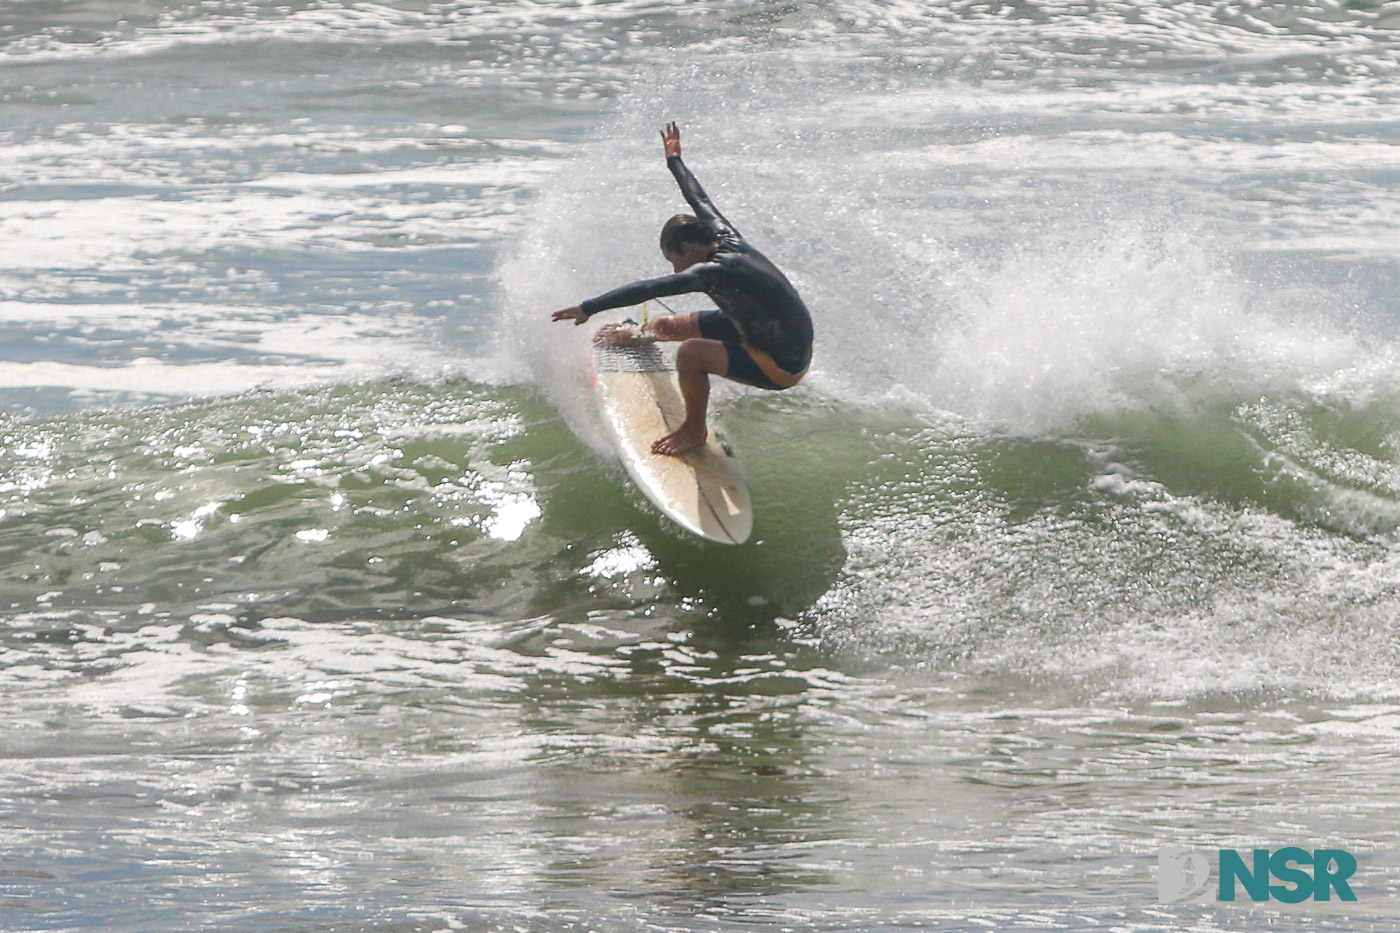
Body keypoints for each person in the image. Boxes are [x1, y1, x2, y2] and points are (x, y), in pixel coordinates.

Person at [551, 121, 814, 456]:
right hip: (758, 328)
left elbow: (648, 287)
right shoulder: (723, 236)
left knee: (690, 352)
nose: (674, 267)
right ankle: (639, 336)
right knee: (665, 326)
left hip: (783, 362)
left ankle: (693, 430)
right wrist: (674, 161)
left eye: (673, 258)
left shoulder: (715, 271)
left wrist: (588, 307)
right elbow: (698, 197)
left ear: (688, 248)